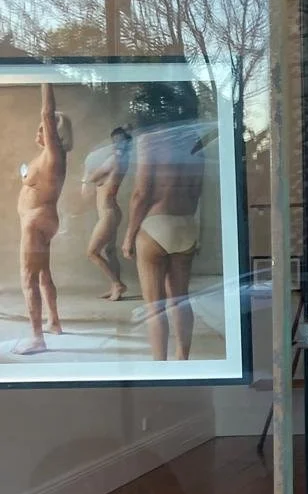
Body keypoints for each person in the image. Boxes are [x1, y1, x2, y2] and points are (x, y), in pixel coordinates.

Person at [122, 84, 207, 362]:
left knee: (155, 305)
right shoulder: (195, 141)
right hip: (185, 223)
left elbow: (141, 193)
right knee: (180, 299)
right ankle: (183, 360)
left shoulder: (150, 140)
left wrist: (129, 235)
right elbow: (196, 191)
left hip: (155, 225)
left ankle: (161, 367)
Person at [14, 83, 72, 355]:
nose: (40, 131)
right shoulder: (47, 157)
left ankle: (37, 338)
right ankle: (54, 322)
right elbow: (30, 180)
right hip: (41, 220)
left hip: (36, 221)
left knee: (28, 278)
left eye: (44, 128)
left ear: (55, 132)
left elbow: (47, 112)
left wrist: (45, 79)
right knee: (43, 274)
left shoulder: (54, 153)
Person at [82, 126, 133, 300]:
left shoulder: (114, 161)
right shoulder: (123, 160)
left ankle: (118, 284)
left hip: (108, 213)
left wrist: (86, 171)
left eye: (119, 141)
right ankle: (114, 287)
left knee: (92, 252)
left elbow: (93, 177)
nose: (115, 144)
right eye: (114, 141)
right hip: (111, 211)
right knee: (110, 251)